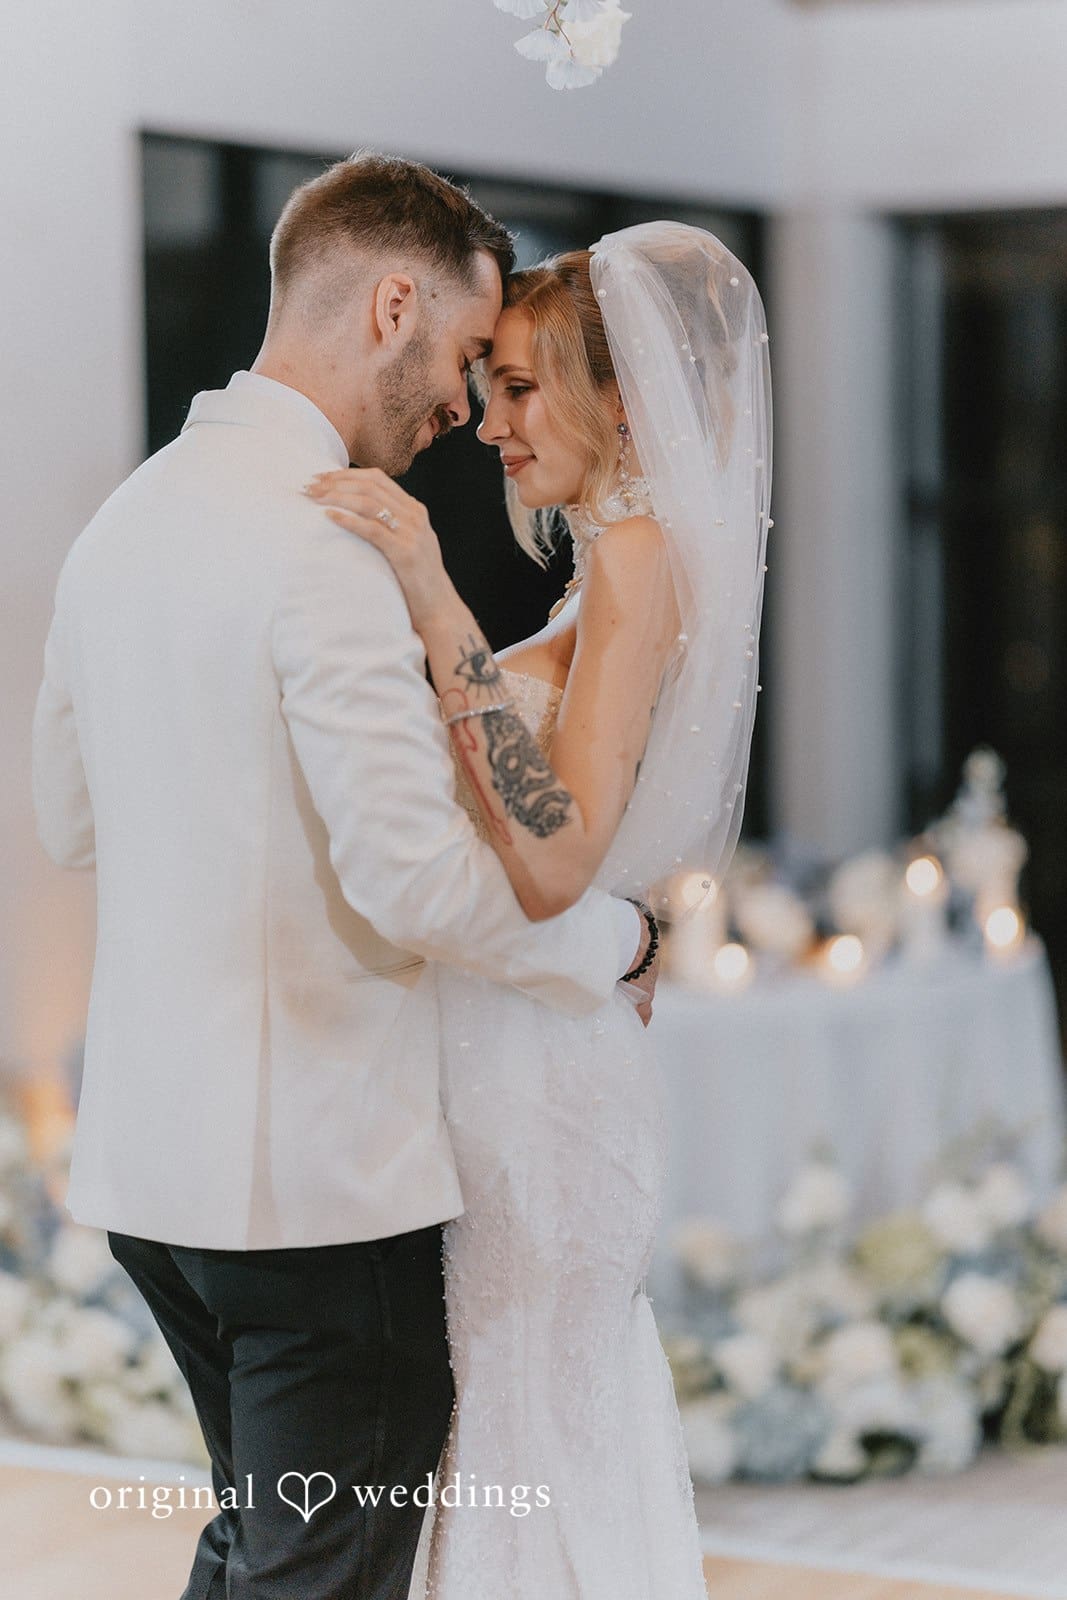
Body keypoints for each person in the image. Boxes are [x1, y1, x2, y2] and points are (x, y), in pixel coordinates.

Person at [30, 155, 657, 1600]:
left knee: (260, 1549)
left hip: (153, 1180)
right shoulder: (324, 539)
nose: (462, 408)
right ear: (390, 306)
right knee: (318, 1574)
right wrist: (612, 946)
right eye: (463, 354)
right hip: (312, 1188)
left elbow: (69, 818)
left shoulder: (125, 520)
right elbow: (415, 885)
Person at [308, 221, 771, 1598]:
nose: (492, 425)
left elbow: (557, 854)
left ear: (622, 400)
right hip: (521, 1042)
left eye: (520, 388)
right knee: (522, 1418)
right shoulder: (619, 562)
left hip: (543, 1077)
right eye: (488, 386)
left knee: (528, 1417)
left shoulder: (639, 559)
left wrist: (432, 595)